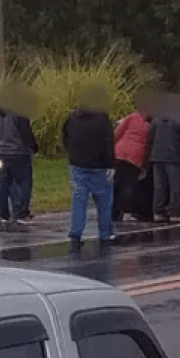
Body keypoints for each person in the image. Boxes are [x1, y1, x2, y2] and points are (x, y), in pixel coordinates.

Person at [62, 85, 116, 248]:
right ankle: (105, 234)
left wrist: (71, 154)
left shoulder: (71, 119)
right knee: (104, 202)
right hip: (98, 166)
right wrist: (110, 163)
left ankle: (76, 234)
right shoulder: (102, 119)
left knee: (79, 201)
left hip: (77, 165)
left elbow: (65, 138)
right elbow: (107, 143)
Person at [0, 92, 39, 226]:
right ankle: (21, 212)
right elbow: (25, 131)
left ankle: (2, 213)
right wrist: (34, 146)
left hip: (2, 153)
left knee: (3, 183)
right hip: (19, 152)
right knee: (24, 182)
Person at [112, 94, 152, 222]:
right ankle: (126, 213)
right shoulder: (148, 127)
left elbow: (117, 133)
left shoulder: (131, 117)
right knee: (128, 184)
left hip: (119, 152)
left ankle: (112, 211)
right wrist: (145, 162)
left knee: (116, 182)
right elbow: (147, 146)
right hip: (135, 157)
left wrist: (112, 148)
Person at [148, 114, 180, 223]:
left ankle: (158, 212)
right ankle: (174, 213)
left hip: (157, 156)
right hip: (175, 157)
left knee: (159, 186)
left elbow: (150, 138)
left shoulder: (156, 120)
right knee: (176, 186)